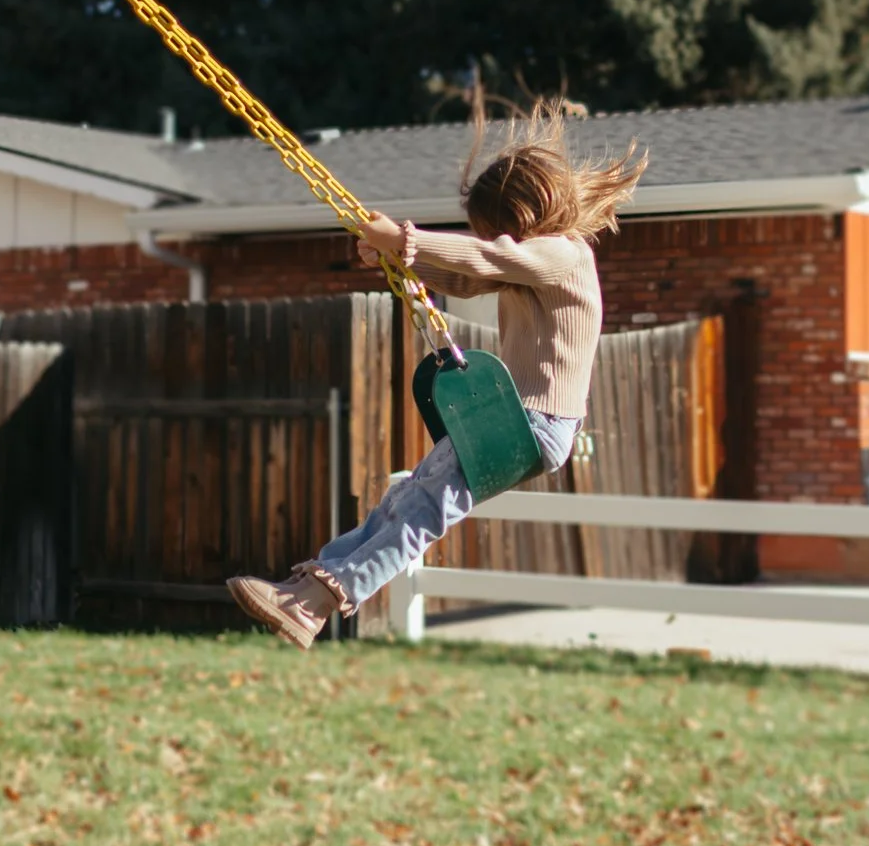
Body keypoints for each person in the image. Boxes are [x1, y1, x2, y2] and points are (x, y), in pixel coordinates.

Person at [227, 102, 646, 648]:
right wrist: (400, 261)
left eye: (499, 230)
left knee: (425, 507)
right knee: (406, 499)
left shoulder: (563, 256)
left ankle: (315, 605)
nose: (498, 240)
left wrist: (405, 241)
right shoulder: (532, 264)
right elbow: (471, 281)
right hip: (513, 417)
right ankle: (307, 588)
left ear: (525, 215)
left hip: (534, 423)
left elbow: (484, 259)